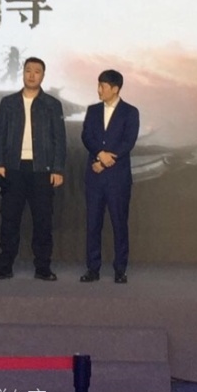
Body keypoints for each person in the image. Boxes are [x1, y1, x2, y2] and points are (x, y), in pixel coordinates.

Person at [0, 57, 66, 281]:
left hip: (42, 169)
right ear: (22, 73)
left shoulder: (52, 104)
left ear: (43, 75)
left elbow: (59, 139)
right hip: (13, 169)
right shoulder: (8, 103)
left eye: (37, 71)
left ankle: (43, 267)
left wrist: (58, 168)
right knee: (9, 220)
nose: (32, 75)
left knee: (43, 220)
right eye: (28, 70)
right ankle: (4, 266)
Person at [80, 69, 140, 284]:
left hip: (118, 178)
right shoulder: (93, 110)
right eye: (98, 85)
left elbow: (128, 141)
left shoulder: (130, 112)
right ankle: (92, 268)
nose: (99, 90)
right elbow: (86, 136)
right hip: (94, 176)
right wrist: (99, 154)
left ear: (115, 89)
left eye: (103, 86)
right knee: (93, 224)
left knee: (119, 223)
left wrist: (106, 160)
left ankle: (120, 269)